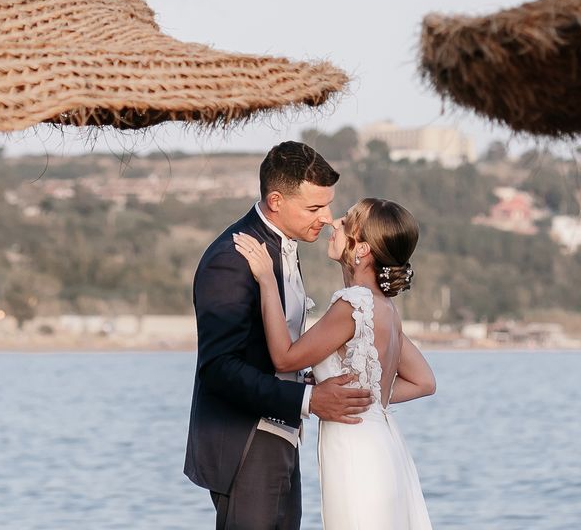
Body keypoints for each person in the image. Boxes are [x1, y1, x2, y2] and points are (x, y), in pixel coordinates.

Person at [185, 141, 371, 530]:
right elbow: (219, 368)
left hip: (284, 432)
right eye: (314, 208)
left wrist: (307, 382)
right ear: (275, 201)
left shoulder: (285, 244)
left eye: (328, 204)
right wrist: (309, 399)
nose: (326, 218)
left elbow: (271, 346)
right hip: (246, 442)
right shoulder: (231, 259)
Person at [233, 196, 435, 530]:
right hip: (382, 443)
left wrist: (267, 280)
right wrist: (362, 392)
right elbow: (424, 381)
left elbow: (284, 356)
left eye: (346, 222)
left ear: (363, 250)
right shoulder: (385, 307)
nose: (334, 223)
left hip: (355, 448)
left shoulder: (352, 304)